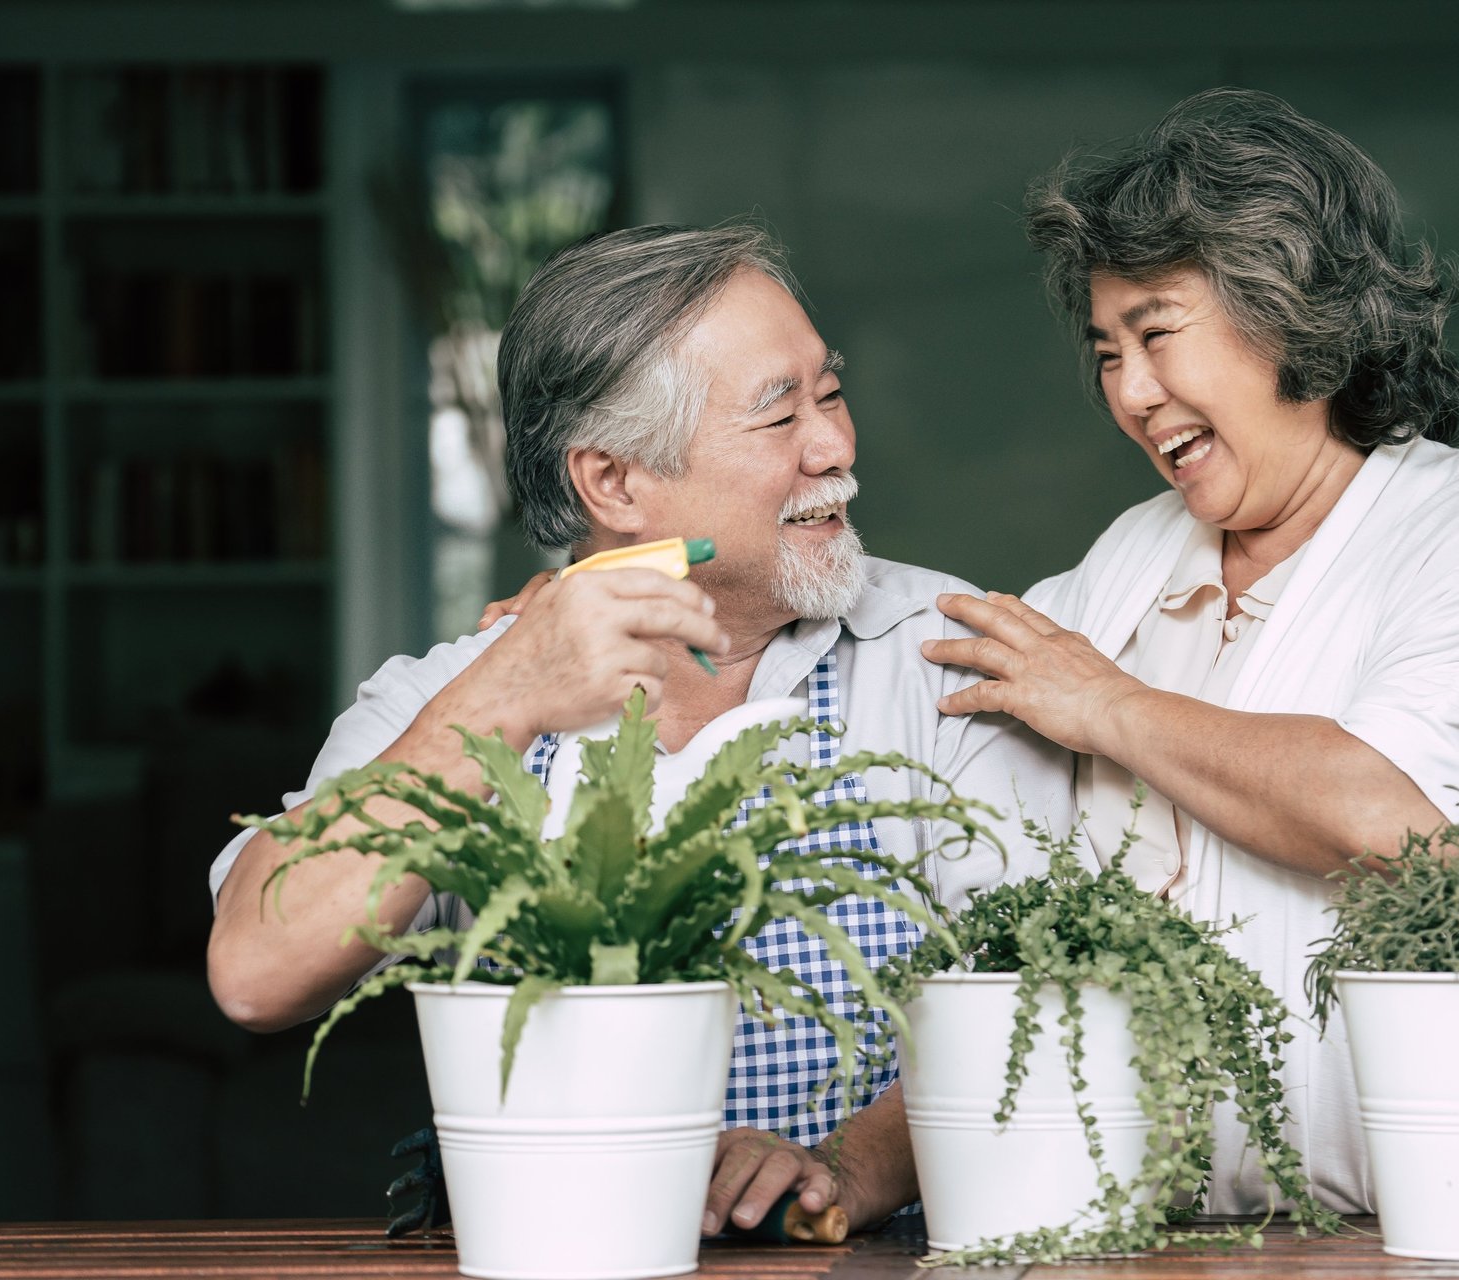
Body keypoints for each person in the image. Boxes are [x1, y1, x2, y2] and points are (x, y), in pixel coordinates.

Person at [205, 224, 1071, 1237]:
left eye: (828, 393)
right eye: (779, 413)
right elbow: (257, 972)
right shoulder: (450, 700)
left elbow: (1041, 991)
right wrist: (504, 694)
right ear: (614, 483)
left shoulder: (946, 653)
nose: (834, 445)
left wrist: (844, 1166)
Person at [914, 88, 1459, 1215]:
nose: (1128, 393)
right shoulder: (1123, 565)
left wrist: (1111, 706)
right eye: (1105, 351)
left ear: (1291, 314)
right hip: (1224, 1237)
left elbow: (1401, 820)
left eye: (1157, 334)